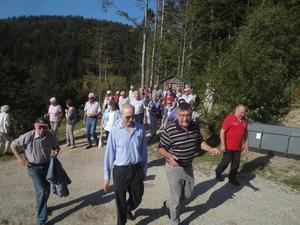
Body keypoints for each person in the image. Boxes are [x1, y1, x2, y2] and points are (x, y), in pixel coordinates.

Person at [158, 102, 219, 225]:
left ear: (191, 115)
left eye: (188, 115)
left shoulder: (195, 127)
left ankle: (168, 205)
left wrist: (210, 148)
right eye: (182, 115)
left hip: (188, 166)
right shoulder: (170, 130)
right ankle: (175, 220)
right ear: (177, 114)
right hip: (174, 168)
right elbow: (161, 148)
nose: (185, 118)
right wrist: (169, 156)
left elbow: (199, 142)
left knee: (188, 194)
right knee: (176, 198)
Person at [103, 104, 147, 225]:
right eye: (128, 117)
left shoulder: (140, 129)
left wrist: (144, 169)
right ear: (121, 114)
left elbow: (144, 151)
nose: (131, 120)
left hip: (136, 169)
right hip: (120, 171)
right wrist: (106, 177)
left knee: (138, 197)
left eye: (133, 117)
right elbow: (109, 154)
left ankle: (128, 209)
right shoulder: (115, 131)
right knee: (120, 201)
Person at [10, 117, 60, 225]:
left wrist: (56, 151)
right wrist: (19, 159)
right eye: (40, 127)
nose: (42, 129)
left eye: (44, 127)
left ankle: (41, 206)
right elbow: (13, 145)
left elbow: (57, 147)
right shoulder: (28, 136)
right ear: (35, 125)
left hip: (47, 166)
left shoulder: (50, 135)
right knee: (41, 190)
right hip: (33, 168)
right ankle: (41, 220)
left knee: (46, 190)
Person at [215, 104, 248, 185]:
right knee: (225, 162)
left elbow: (245, 132)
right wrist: (222, 144)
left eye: (244, 113)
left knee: (235, 164)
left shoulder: (244, 121)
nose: (242, 114)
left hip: (238, 147)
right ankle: (218, 172)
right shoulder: (229, 118)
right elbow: (222, 131)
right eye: (241, 112)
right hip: (228, 146)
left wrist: (246, 143)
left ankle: (232, 179)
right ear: (236, 110)